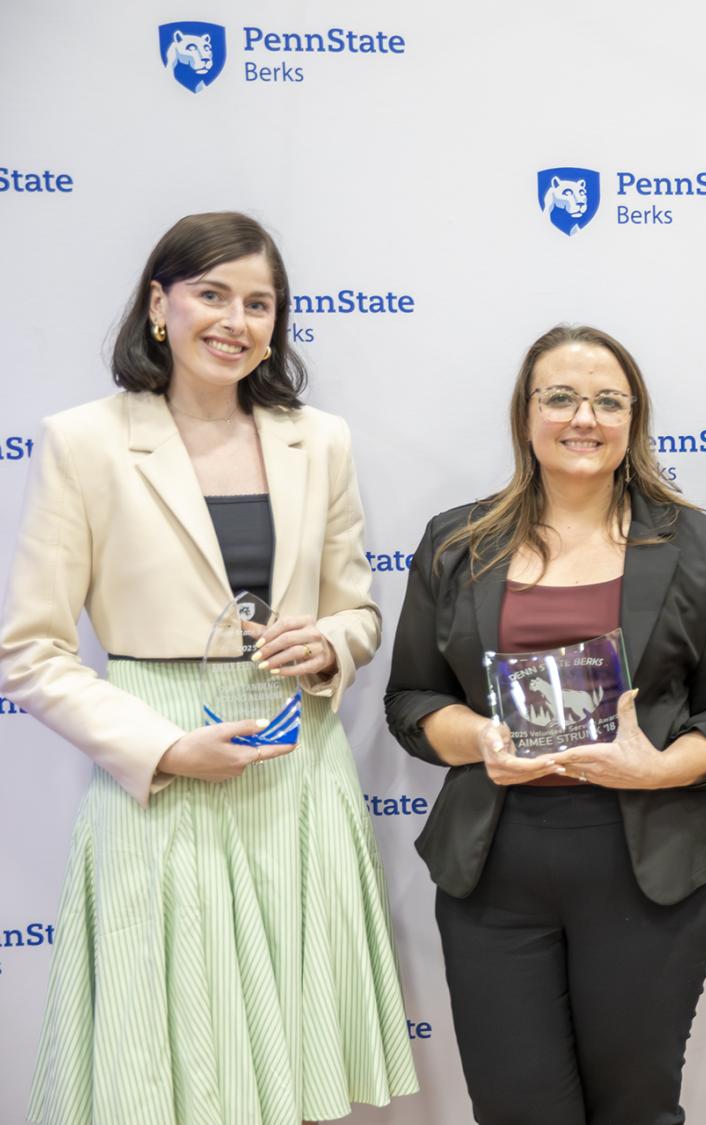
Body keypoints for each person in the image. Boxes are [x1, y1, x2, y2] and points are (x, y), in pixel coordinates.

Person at [0, 212, 418, 1124]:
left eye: (259, 302)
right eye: (213, 294)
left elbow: (357, 609)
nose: (237, 320)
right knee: (172, 1066)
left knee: (296, 1066)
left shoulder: (322, 439)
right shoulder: (82, 441)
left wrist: (332, 646)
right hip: (162, 770)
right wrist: (162, 748)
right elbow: (30, 651)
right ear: (160, 304)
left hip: (297, 770)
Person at [383, 323, 706, 1125]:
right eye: (559, 396)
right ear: (526, 415)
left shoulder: (694, 542)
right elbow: (413, 701)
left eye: (607, 400)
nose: (582, 417)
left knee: (635, 1110)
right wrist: (483, 741)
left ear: (634, 421)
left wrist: (655, 767)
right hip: (496, 873)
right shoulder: (456, 544)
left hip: (649, 870)